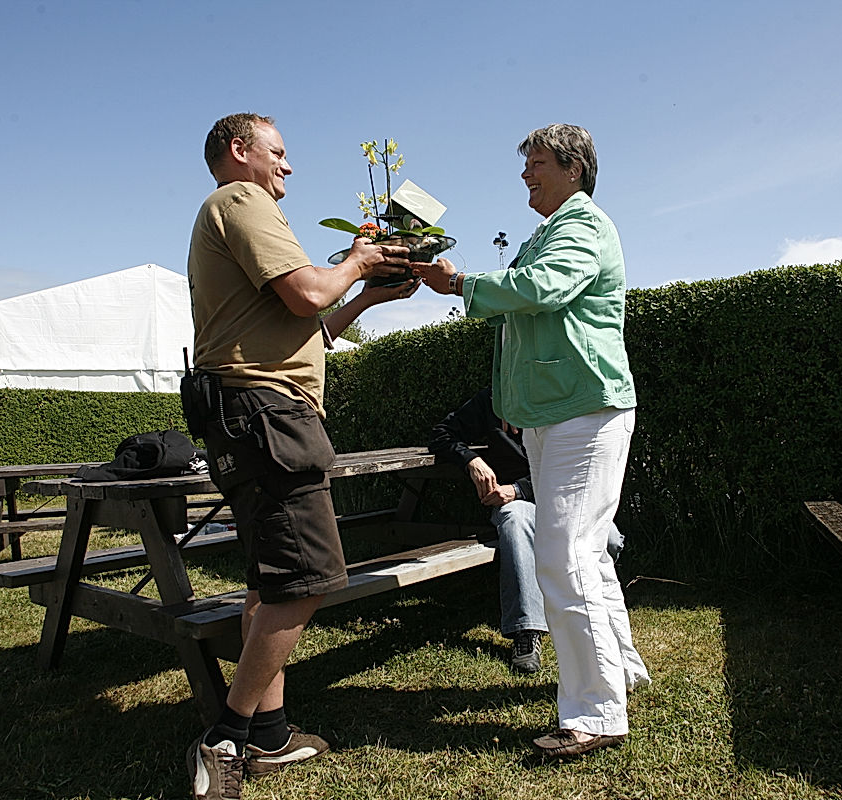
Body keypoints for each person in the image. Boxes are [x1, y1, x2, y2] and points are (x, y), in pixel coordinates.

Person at [184, 112, 416, 800]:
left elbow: (311, 324)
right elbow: (310, 290)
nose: (287, 166)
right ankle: (225, 737)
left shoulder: (230, 212)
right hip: (269, 416)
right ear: (240, 150)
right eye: (278, 152)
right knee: (308, 578)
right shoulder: (241, 198)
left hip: (248, 415)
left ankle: (271, 735)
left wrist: (365, 295)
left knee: (269, 584)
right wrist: (359, 260)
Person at [415, 123, 650, 759]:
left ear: (574, 169)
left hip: (584, 409)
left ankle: (596, 713)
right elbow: (523, 302)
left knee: (563, 556)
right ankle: (621, 671)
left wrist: (460, 284)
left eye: (538, 163)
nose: (526, 174)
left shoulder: (582, 224)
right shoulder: (548, 232)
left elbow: (543, 288)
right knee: (586, 553)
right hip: (555, 412)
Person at [427, 386, 624, 674]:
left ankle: (582, 607)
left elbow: (574, 466)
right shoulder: (494, 400)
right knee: (515, 521)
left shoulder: (563, 398)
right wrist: (471, 460)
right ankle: (526, 632)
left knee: (611, 540)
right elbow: (441, 434)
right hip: (517, 505)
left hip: (562, 497)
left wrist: (519, 489)